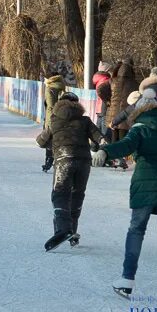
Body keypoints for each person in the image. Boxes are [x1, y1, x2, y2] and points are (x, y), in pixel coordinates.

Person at [92, 101, 157, 303]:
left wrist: (105, 151)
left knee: (136, 231)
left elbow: (125, 146)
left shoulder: (139, 131)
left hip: (144, 188)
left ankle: (127, 279)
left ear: (139, 115)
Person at [36, 91, 103, 250]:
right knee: (77, 195)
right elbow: (100, 139)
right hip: (84, 162)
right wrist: (99, 148)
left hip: (64, 160)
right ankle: (72, 231)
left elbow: (40, 141)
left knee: (60, 194)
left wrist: (54, 143)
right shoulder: (85, 121)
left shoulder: (54, 121)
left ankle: (64, 229)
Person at [108, 59, 138, 142]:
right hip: (126, 114)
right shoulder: (135, 83)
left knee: (113, 141)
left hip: (113, 113)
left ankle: (113, 154)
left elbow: (101, 89)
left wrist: (108, 100)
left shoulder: (112, 81)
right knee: (123, 141)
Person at [41, 74, 66, 172]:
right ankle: (56, 160)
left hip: (51, 118)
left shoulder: (50, 89)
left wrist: (52, 119)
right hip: (62, 117)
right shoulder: (61, 86)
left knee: (48, 139)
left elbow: (50, 105)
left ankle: (49, 160)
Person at [92, 61, 112, 139]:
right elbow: (102, 92)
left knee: (99, 126)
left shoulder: (99, 79)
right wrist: (107, 100)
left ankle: (94, 146)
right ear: (106, 71)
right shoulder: (105, 80)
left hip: (99, 105)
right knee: (104, 128)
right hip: (104, 105)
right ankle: (104, 144)